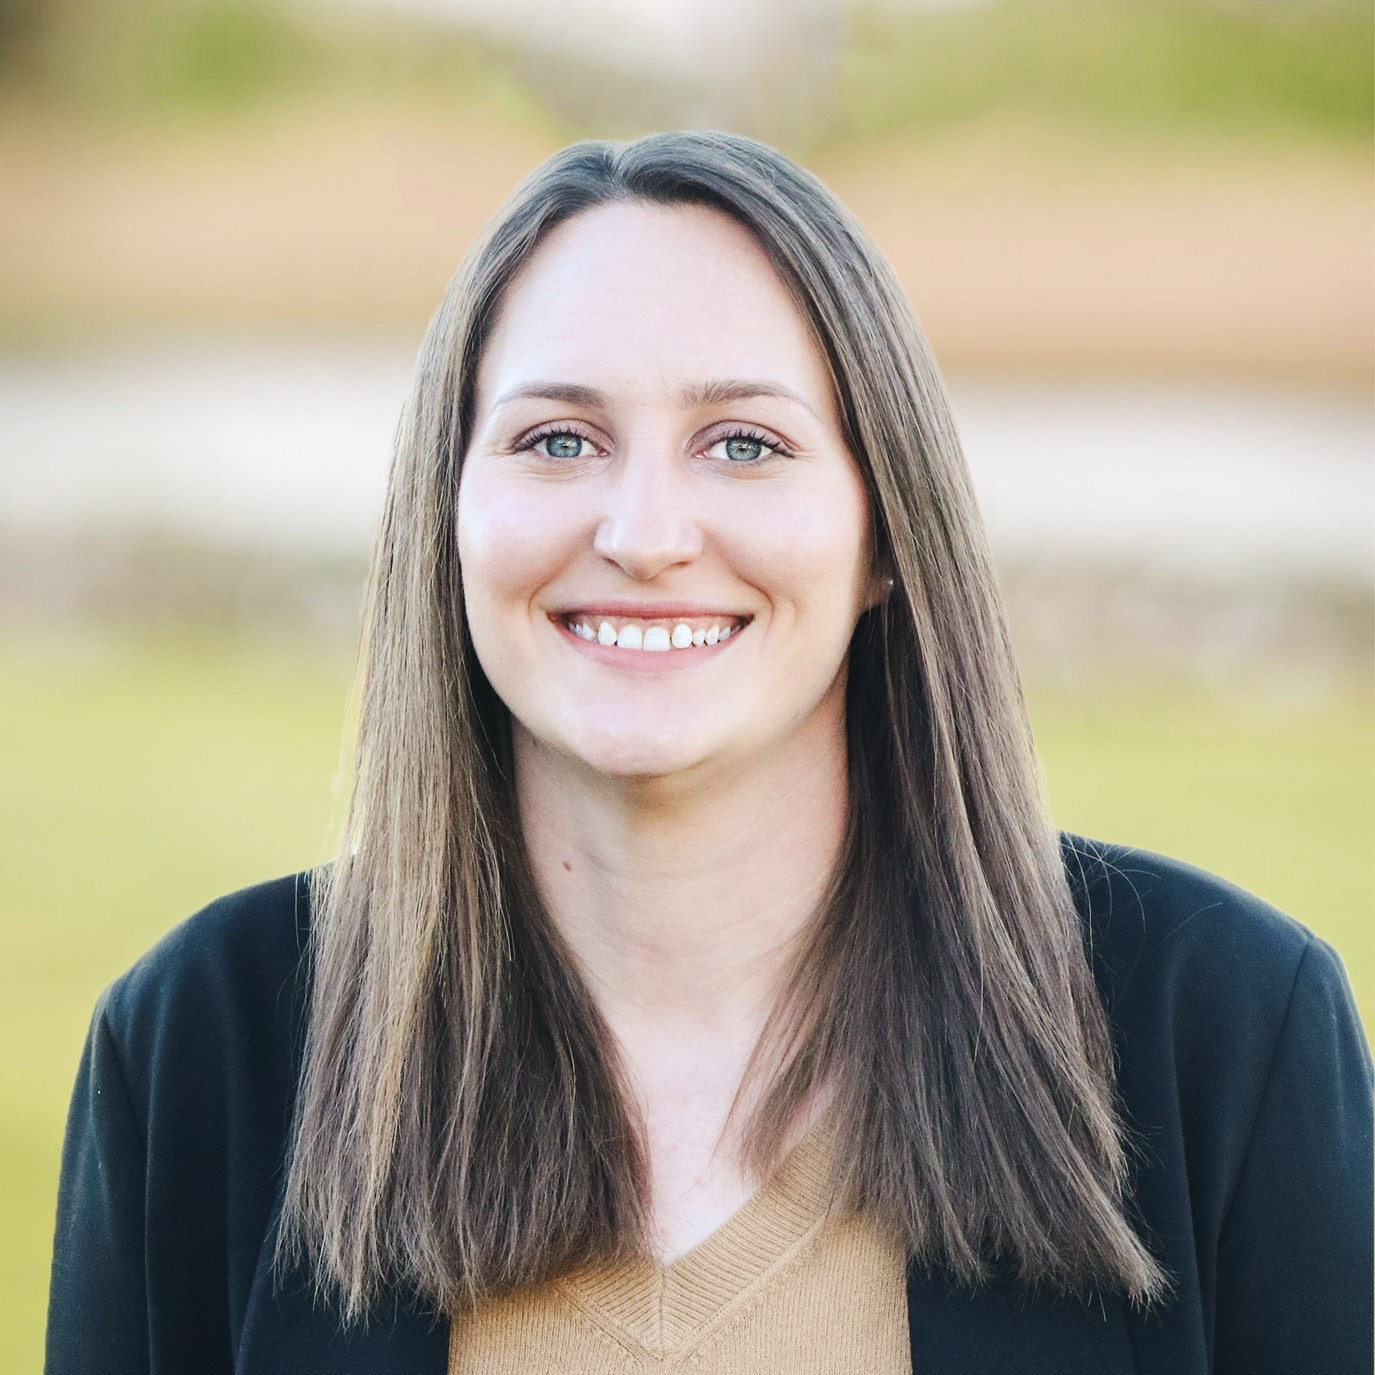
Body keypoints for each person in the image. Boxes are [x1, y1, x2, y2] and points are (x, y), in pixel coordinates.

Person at [45, 131, 1372, 1375]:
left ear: (885, 536)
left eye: (744, 443)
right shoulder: (201, 1051)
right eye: (556, 439)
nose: (645, 530)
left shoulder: (1221, 1032)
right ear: (446, 514)